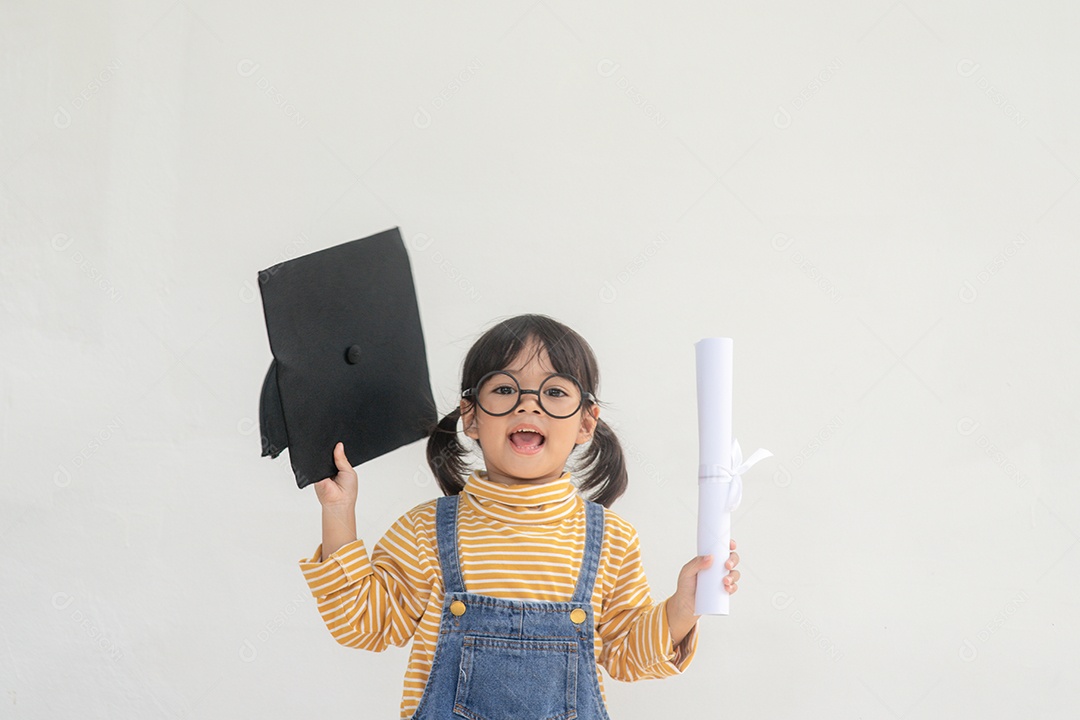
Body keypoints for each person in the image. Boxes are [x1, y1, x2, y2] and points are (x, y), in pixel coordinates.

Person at [299, 314, 741, 719]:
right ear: (471, 417)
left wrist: (685, 607)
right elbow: (362, 625)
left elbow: (628, 654)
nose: (528, 406)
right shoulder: (423, 532)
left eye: (554, 392)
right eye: (506, 389)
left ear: (586, 423)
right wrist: (338, 512)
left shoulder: (612, 540)